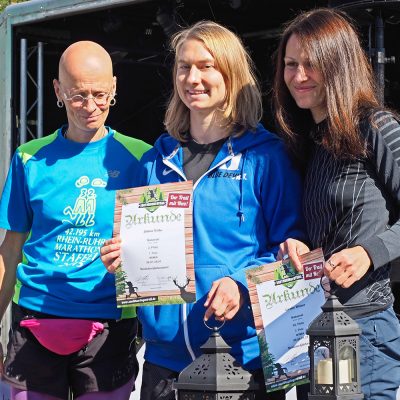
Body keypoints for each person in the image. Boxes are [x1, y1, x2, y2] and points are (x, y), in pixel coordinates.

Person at [101, 20, 306, 400]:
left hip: (241, 362)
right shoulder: (154, 162)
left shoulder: (266, 158)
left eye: (206, 66)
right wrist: (122, 258)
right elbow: (142, 257)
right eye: (183, 66)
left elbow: (294, 253)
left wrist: (242, 286)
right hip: (164, 364)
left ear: (229, 74)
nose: (192, 77)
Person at [0, 40, 151, 400]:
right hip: (34, 323)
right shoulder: (29, 159)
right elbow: (10, 251)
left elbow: (158, 252)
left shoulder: (141, 159)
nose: (90, 107)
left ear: (114, 87)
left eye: (100, 95)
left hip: (109, 327)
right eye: (78, 95)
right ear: (57, 91)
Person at [273, 8, 400, 400]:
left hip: (368, 328)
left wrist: (370, 252)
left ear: (338, 62)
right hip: (314, 332)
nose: (298, 76)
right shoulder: (305, 143)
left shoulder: (377, 126)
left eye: (311, 64)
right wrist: (293, 242)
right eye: (291, 65)